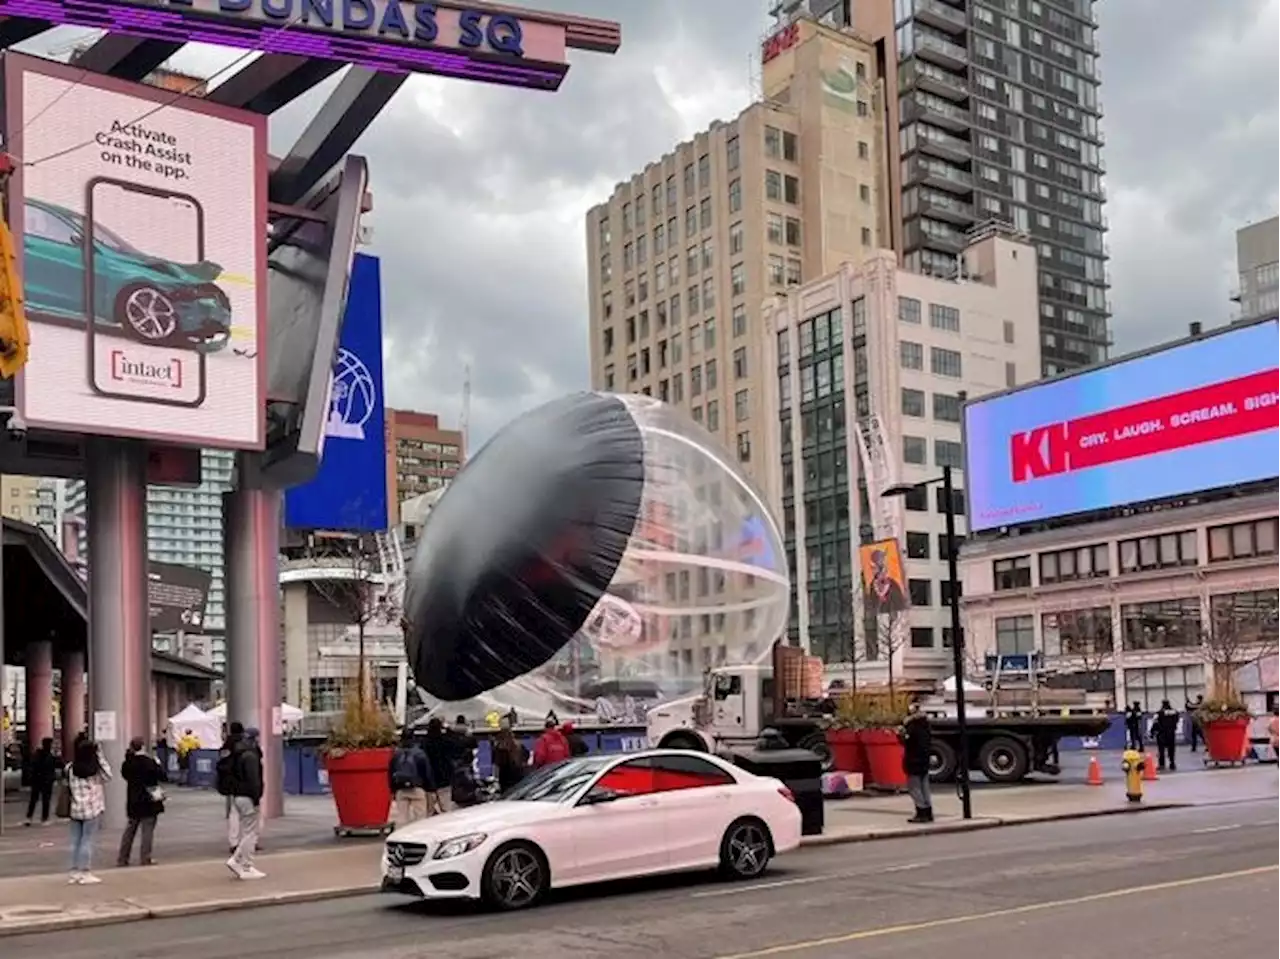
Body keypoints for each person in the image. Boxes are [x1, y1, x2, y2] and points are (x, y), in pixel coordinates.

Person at [216, 722, 265, 880]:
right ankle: (243, 863)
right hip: (248, 796)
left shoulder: (236, 752)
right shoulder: (250, 756)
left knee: (246, 829)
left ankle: (241, 862)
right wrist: (257, 798)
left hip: (237, 795)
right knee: (251, 832)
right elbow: (254, 781)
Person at [66, 736, 111, 884]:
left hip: (75, 808)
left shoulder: (70, 768)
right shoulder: (95, 770)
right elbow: (108, 775)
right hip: (92, 809)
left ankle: (74, 872)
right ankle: (85, 872)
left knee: (75, 841)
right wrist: (100, 755)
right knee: (87, 840)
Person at [117, 737, 166, 867]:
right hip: (149, 800)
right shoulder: (149, 762)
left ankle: (123, 858)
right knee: (147, 830)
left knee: (130, 830)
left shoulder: (128, 762)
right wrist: (158, 763)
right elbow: (162, 776)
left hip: (133, 799)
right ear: (143, 746)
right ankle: (145, 857)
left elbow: (125, 775)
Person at [388, 729, 435, 825]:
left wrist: (392, 790)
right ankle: (417, 837)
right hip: (417, 788)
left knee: (402, 818)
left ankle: (401, 836)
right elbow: (426, 772)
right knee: (420, 817)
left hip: (400, 788)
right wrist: (430, 788)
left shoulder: (396, 754)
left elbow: (391, 772)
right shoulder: (420, 753)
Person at [899, 703, 933, 824]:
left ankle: (921, 811)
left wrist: (901, 735)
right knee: (925, 787)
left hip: (914, 760)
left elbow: (907, 742)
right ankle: (928, 811)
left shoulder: (912, 726)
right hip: (924, 760)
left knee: (914, 787)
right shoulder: (926, 725)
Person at [422, 718, 456, 814]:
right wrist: (449, 729)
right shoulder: (445, 741)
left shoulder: (425, 743)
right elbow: (456, 744)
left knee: (428, 810)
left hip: (429, 780)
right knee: (446, 808)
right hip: (444, 778)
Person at [25, 737, 58, 827]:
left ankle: (29, 817)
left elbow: (32, 766)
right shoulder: (49, 756)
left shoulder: (37, 754)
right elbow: (56, 765)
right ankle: (44, 818)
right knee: (45, 800)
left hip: (37, 780)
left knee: (34, 799)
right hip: (46, 780)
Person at [491, 720, 529, 793]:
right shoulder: (519, 745)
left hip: (505, 778)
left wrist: (495, 779)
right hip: (518, 777)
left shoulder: (499, 747)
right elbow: (526, 759)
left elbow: (496, 764)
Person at [867, 549, 907, 617]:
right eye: (872, 568)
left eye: (874, 568)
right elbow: (872, 604)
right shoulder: (872, 585)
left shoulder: (893, 584)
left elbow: (900, 603)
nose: (872, 570)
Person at [1154, 699, 1180, 771]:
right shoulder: (1174, 712)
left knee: (1161, 750)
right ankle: (1172, 763)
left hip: (1162, 733)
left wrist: (1153, 731)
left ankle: (1162, 764)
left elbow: (1155, 722)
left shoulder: (1159, 712)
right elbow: (1177, 719)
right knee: (1171, 749)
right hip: (1171, 733)